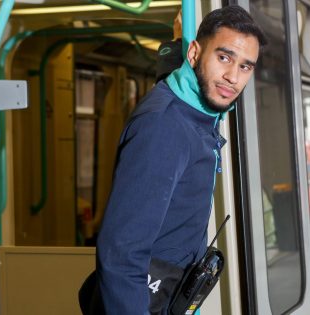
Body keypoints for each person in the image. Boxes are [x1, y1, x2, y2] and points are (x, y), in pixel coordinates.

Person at [86, 5, 267, 315]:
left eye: (245, 66)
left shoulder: (199, 106)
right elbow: (121, 254)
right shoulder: (164, 128)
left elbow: (185, 82)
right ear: (194, 54)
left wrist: (175, 43)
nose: (232, 78)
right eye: (223, 57)